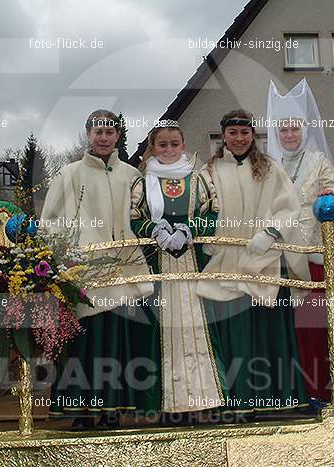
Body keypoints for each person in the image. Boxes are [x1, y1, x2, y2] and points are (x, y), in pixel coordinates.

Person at [41, 109, 158, 429]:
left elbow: (145, 217)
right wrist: (63, 261)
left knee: (117, 342)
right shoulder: (69, 174)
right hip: (85, 272)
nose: (104, 138)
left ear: (118, 136)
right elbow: (50, 223)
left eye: (110, 132)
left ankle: (112, 409)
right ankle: (81, 412)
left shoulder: (132, 175)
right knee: (84, 345)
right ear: (88, 135)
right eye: (98, 132)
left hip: (124, 269)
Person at [195, 109, 310, 418]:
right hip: (225, 265)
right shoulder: (209, 171)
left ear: (252, 135)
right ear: (223, 136)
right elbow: (201, 211)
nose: (239, 138)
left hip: (264, 262)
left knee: (267, 336)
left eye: (244, 133)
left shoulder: (270, 168)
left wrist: (272, 231)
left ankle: (278, 401)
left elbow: (290, 206)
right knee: (233, 336)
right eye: (233, 133)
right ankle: (237, 403)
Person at [131, 120, 227, 423]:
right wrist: (154, 230)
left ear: (183, 145)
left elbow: (212, 213)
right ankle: (165, 405)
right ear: (153, 148)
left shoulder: (198, 179)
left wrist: (189, 231)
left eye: (174, 144)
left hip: (194, 268)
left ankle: (207, 399)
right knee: (162, 331)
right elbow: (134, 218)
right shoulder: (143, 182)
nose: (169, 150)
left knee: (199, 329)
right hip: (159, 271)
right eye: (162, 145)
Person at [267, 79, 334, 401]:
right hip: (280, 260)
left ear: (304, 131)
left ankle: (320, 391)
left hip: (311, 258)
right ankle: (289, 393)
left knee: (313, 329)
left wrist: (328, 197)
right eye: (283, 130)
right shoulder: (268, 165)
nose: (289, 135)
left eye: (294, 129)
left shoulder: (319, 162)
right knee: (285, 331)